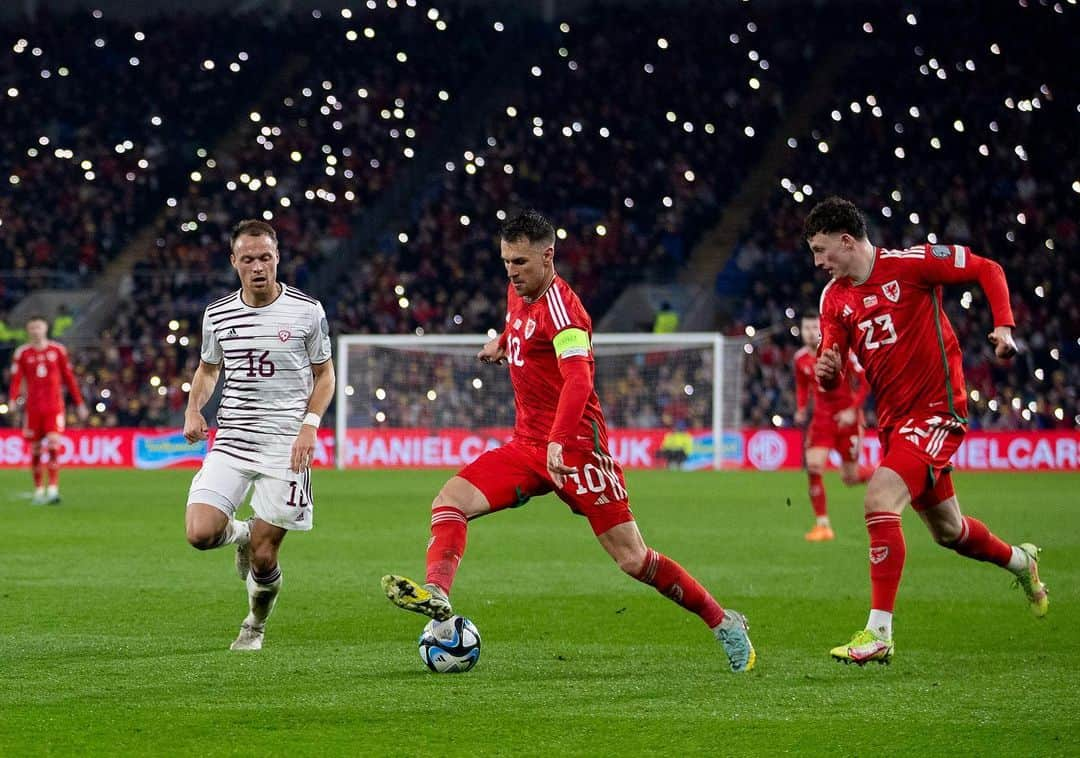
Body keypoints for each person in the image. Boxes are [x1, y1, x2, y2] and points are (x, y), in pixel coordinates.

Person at [381, 210, 755, 672]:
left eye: (520, 262)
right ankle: (437, 593)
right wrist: (502, 341)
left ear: (548, 255)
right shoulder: (517, 293)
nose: (511, 272)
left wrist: (560, 441)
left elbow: (579, 379)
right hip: (526, 446)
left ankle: (724, 622)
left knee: (634, 559)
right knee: (449, 502)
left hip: (577, 449)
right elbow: (522, 328)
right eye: (505, 262)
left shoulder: (566, 310)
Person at [806, 196, 1047, 666]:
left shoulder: (913, 265)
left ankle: (878, 633)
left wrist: (1003, 327)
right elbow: (832, 367)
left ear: (846, 240)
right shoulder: (834, 299)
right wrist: (827, 370)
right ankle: (1022, 562)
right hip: (895, 424)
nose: (817, 262)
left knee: (878, 499)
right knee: (950, 532)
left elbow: (989, 269)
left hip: (938, 410)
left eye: (821, 250)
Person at [183, 219, 334, 651]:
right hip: (232, 439)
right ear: (234, 262)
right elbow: (209, 369)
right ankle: (242, 533)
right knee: (199, 533)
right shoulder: (218, 313)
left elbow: (325, 375)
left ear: (277, 258)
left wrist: (310, 426)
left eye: (264, 257)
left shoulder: (307, 311)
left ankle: (254, 624)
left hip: (287, 446)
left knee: (266, 558)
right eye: (247, 259)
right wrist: (194, 408)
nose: (257, 267)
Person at [793, 311, 873, 541]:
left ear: (821, 329)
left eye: (813, 327)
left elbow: (865, 380)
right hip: (821, 420)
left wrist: (853, 410)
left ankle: (880, 474)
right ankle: (823, 525)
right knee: (814, 466)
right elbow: (801, 386)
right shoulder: (800, 359)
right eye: (805, 328)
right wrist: (800, 407)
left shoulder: (838, 351)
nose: (809, 332)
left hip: (846, 419)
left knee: (850, 478)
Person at [8, 316, 89, 504]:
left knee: (53, 445)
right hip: (33, 409)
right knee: (35, 449)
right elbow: (16, 380)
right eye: (32, 327)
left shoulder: (58, 350)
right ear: (28, 330)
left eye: (39, 326)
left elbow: (69, 378)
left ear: (45, 328)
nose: (36, 330)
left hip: (54, 407)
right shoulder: (23, 353)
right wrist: (13, 400)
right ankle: (38, 489)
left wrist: (80, 403)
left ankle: (52, 489)